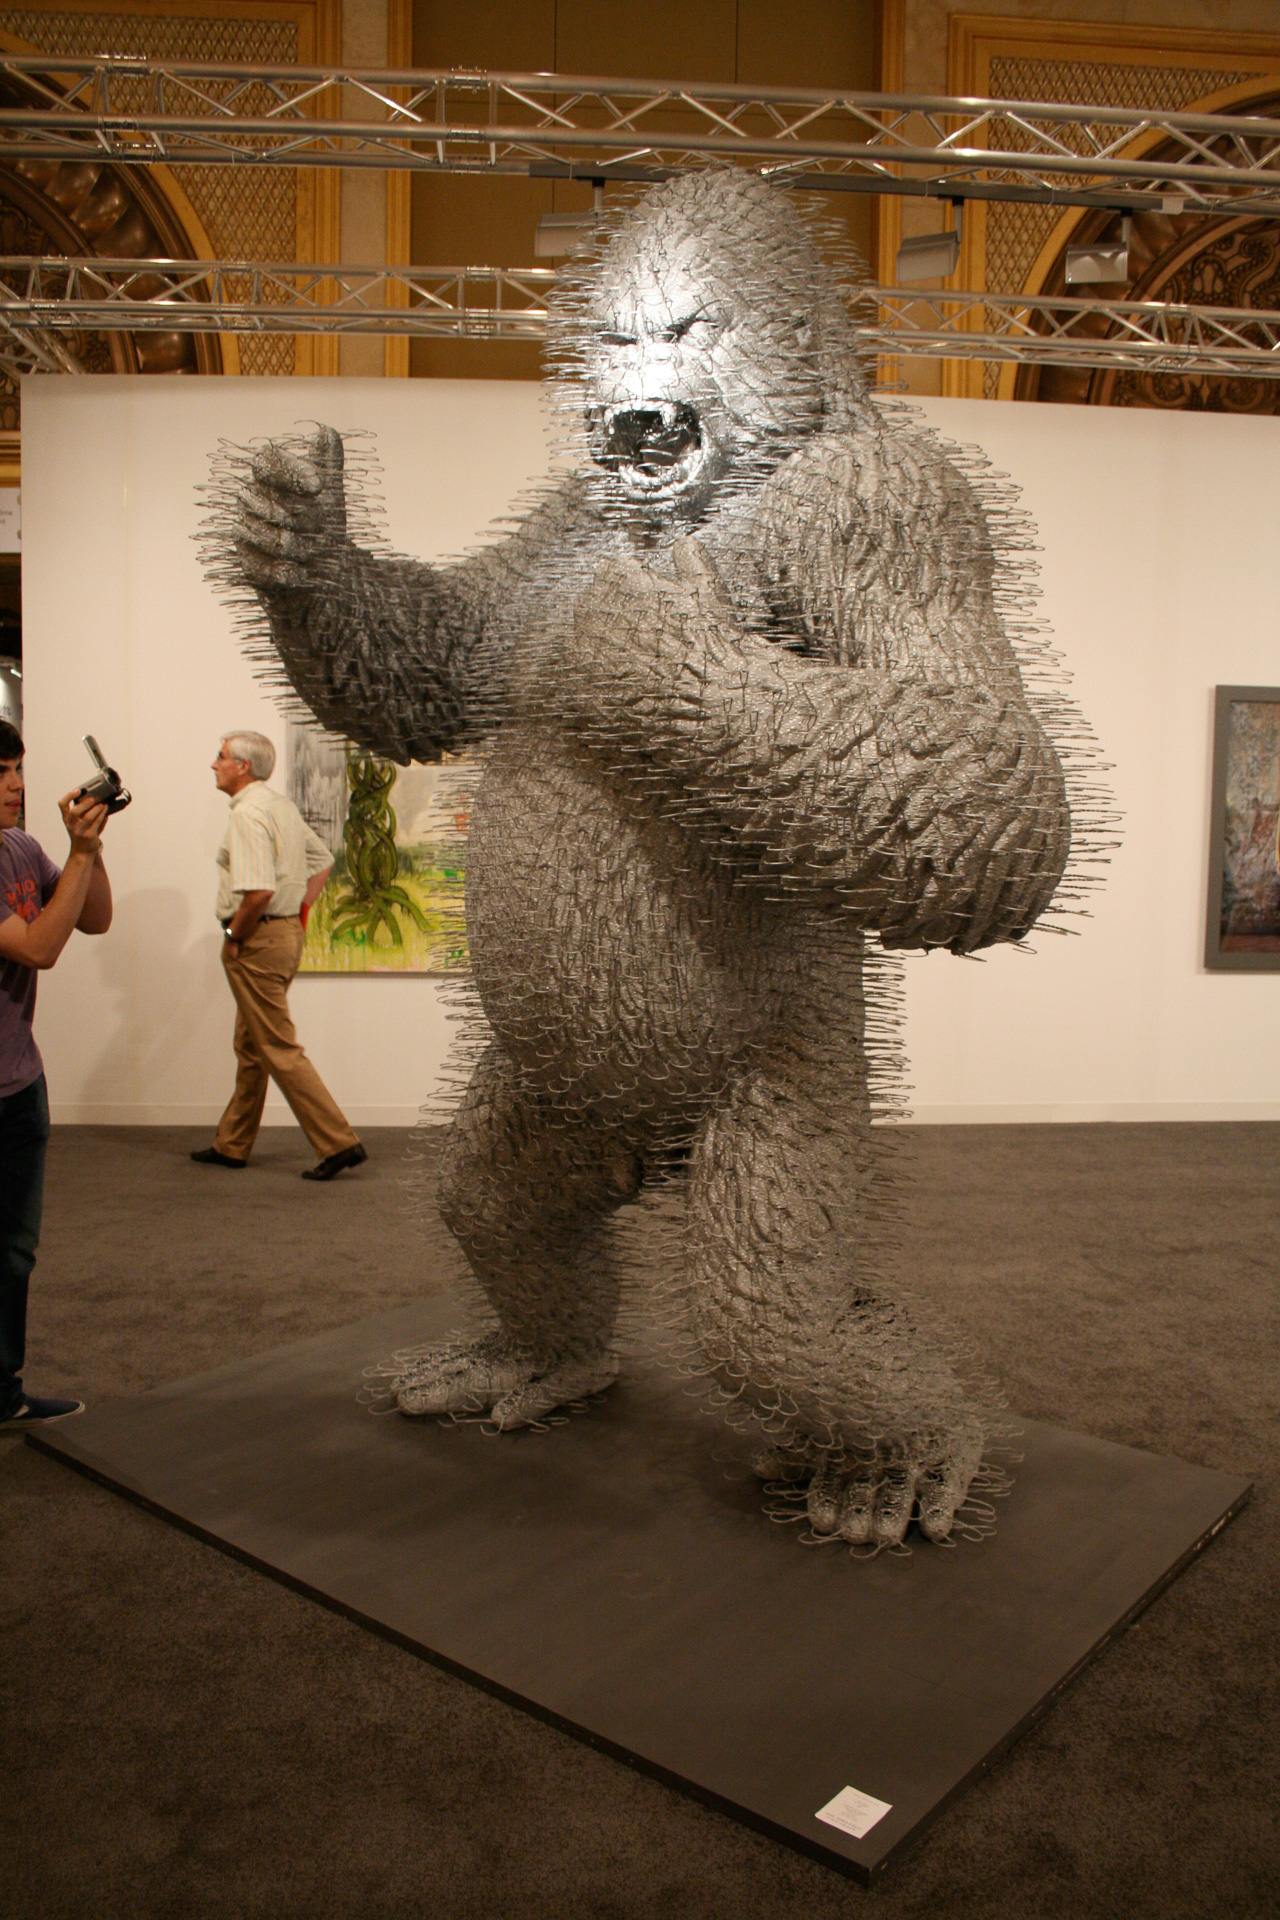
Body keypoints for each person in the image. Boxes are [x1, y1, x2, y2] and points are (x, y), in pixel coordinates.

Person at [0, 719, 113, 1429]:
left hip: (20, 1081)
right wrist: (78, 851)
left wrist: (91, 849)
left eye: (17, 768)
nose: (16, 784)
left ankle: (2, 1393)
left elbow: (95, 918)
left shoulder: (19, 847)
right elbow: (40, 947)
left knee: (14, 1252)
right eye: (0, 773)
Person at [193, 730, 366, 1181]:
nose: (214, 764)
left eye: (221, 756)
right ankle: (232, 1144)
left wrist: (234, 934)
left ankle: (339, 1142)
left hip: (256, 939)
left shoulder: (248, 814)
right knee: (252, 1043)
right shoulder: (280, 806)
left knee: (277, 1046)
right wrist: (296, 916)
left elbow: (258, 892)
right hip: (283, 936)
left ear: (243, 766)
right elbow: (322, 861)